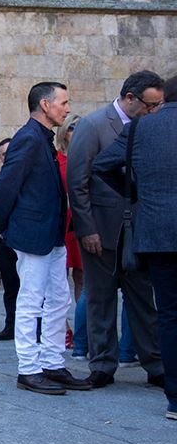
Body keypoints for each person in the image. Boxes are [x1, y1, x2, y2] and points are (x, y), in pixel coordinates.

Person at [66, 70, 165, 389]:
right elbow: (77, 182)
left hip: (140, 229)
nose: (154, 112)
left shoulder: (151, 126)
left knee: (143, 299)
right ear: (130, 98)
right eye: (150, 105)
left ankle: (155, 362)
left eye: (158, 105)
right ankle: (103, 364)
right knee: (100, 298)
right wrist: (87, 228)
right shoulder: (93, 125)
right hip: (102, 229)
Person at [0, 82, 88, 396]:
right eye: (63, 102)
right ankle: (29, 369)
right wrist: (1, 229)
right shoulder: (29, 139)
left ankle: (51, 361)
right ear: (45, 106)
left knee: (59, 299)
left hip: (54, 235)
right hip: (33, 235)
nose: (67, 108)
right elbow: (6, 185)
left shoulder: (43, 139)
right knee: (31, 300)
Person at [92, 73, 177, 420]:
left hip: (156, 232)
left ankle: (175, 399)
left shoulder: (142, 129)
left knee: (168, 313)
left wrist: (138, 194)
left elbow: (102, 166)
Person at [57, 113, 84, 354]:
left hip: (83, 222)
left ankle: (83, 328)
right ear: (64, 131)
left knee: (82, 277)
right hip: (62, 223)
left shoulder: (88, 157)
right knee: (59, 279)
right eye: (72, 127)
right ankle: (63, 329)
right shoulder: (57, 160)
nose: (77, 131)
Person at [0, 137, 19, 341]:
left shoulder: (26, 176)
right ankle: (11, 325)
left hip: (24, 239)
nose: (7, 156)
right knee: (10, 287)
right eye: (4, 153)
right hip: (5, 241)